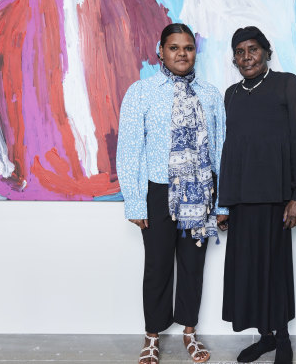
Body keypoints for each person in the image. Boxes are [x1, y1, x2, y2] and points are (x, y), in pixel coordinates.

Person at [116, 23, 229, 364]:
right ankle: (152, 336)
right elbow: (130, 149)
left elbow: (222, 149)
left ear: (195, 52)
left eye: (188, 48)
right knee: (158, 266)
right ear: (160, 51)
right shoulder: (141, 92)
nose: (182, 53)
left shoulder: (210, 94)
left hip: (200, 191)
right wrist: (135, 201)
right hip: (158, 192)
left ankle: (190, 333)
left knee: (193, 265)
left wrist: (223, 201)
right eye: (174, 47)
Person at [218, 26, 296, 364]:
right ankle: (265, 337)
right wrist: (223, 204)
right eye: (240, 52)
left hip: (277, 198)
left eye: (253, 49)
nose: (247, 57)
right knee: (248, 271)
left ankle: (283, 339)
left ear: (266, 51)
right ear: (234, 58)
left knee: (275, 272)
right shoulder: (230, 94)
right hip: (242, 199)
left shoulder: (286, 84)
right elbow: (227, 151)